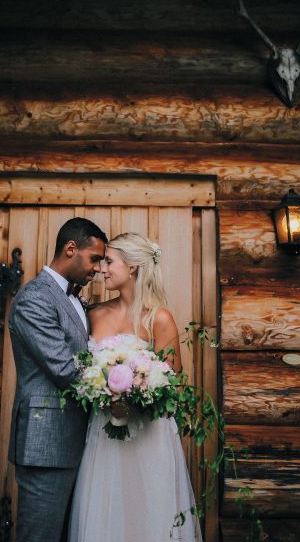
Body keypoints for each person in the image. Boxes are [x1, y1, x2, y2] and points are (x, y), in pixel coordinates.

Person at [68, 232, 202, 542]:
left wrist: (139, 398)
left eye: (109, 262)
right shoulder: (94, 315)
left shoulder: (160, 319)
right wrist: (103, 394)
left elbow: (174, 387)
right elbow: (83, 371)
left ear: (132, 268)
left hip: (148, 437)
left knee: (149, 514)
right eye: (101, 262)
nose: (102, 268)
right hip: (106, 435)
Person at [8, 217, 107, 542]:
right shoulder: (35, 298)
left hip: (79, 441)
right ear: (70, 249)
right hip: (46, 442)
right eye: (94, 258)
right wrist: (120, 391)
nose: (97, 268)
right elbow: (64, 369)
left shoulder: (74, 298)